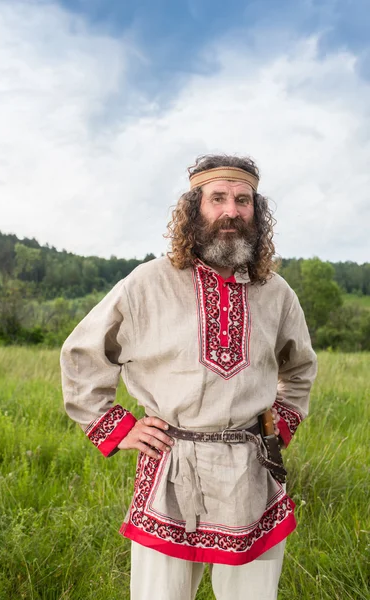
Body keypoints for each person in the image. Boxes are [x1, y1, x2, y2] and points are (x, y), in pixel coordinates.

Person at [60, 154, 318, 600]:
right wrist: (119, 429)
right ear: (194, 208)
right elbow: (83, 354)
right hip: (171, 465)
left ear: (257, 212)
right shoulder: (147, 283)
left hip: (251, 468)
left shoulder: (276, 292)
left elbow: (299, 369)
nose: (231, 211)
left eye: (243, 200)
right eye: (217, 198)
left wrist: (279, 426)